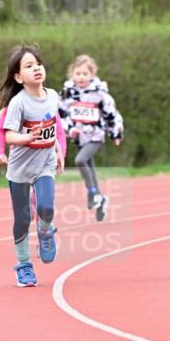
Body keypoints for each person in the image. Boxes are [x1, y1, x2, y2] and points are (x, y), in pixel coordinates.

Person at [0, 44, 64, 287]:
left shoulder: (53, 96)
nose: (36, 69)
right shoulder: (18, 104)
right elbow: (9, 136)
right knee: (22, 219)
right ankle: (23, 265)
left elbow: (54, 127)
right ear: (18, 77)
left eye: (39, 64)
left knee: (46, 207)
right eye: (29, 66)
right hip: (20, 170)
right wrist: (27, 138)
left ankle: (45, 230)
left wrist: (58, 150)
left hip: (45, 164)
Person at [58, 55, 123, 222]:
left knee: (80, 160)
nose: (81, 77)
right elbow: (60, 115)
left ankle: (92, 193)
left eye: (85, 74)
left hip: (95, 135)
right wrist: (70, 129)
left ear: (92, 75)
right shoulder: (67, 93)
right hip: (78, 136)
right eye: (77, 73)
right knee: (89, 166)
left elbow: (111, 114)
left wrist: (115, 133)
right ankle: (100, 198)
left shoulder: (100, 94)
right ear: (72, 74)